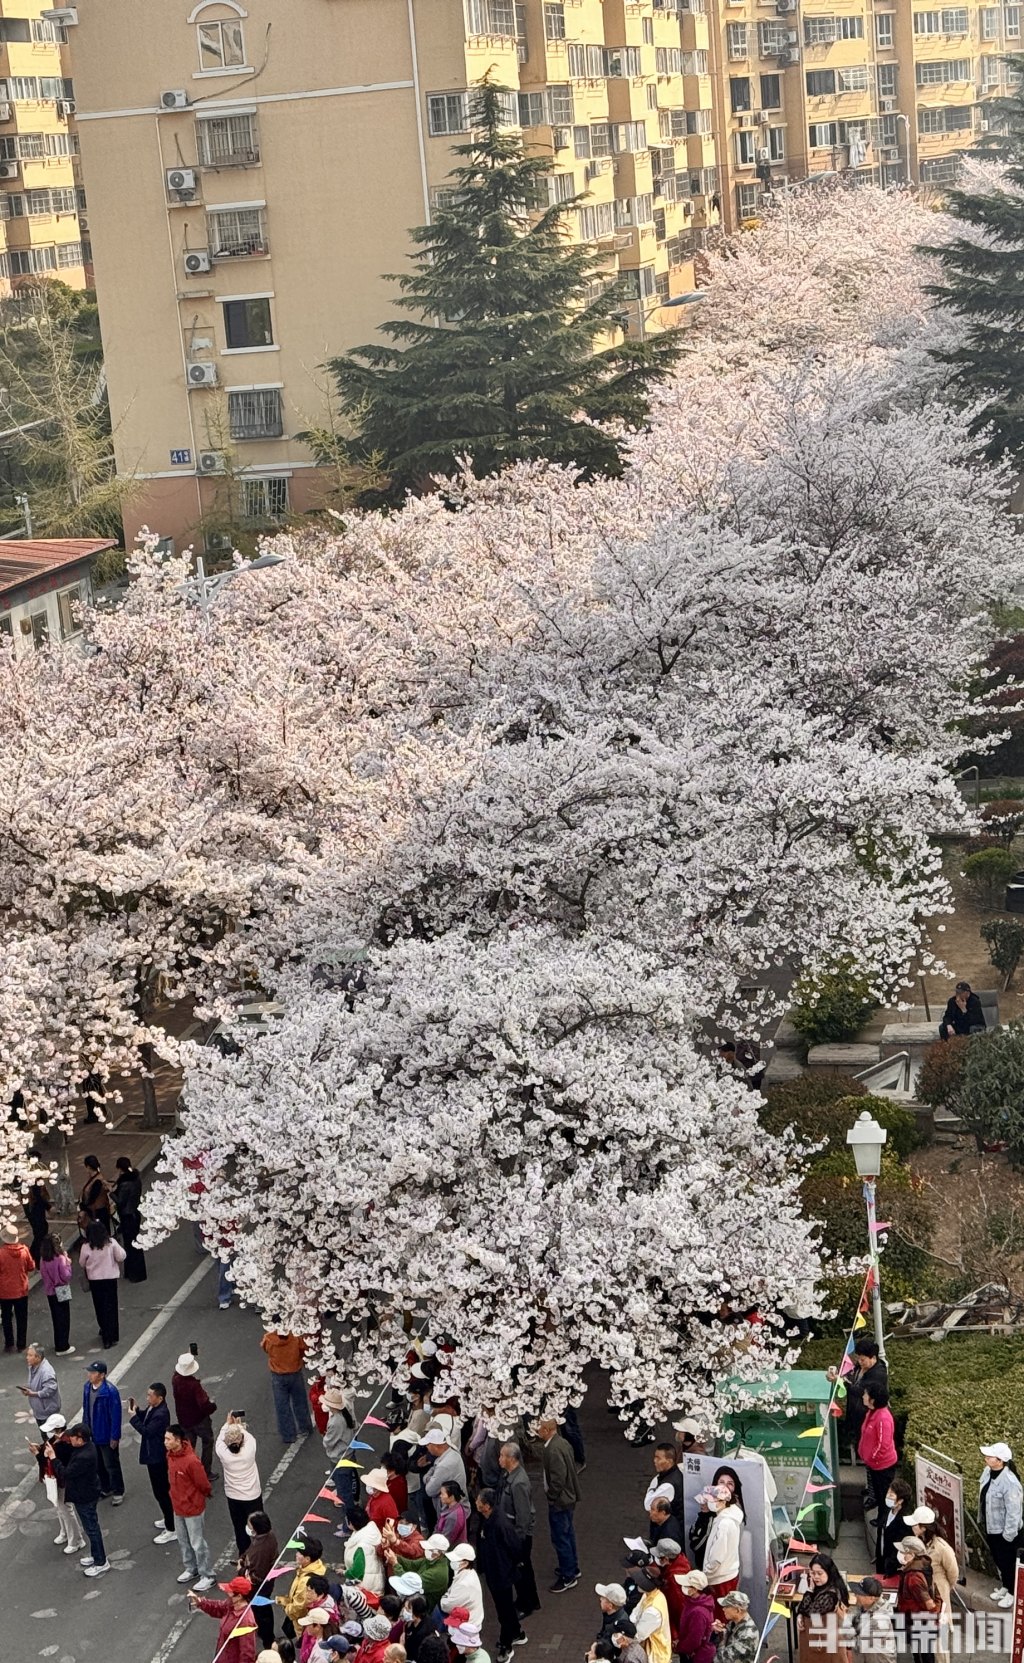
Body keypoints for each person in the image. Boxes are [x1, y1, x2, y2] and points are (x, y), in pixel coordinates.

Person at [476, 1487, 526, 1662]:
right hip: (494, 1572)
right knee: (505, 1607)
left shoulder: (500, 1524)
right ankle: (517, 1632)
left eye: (479, 1501)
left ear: (486, 1506)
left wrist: (511, 1564)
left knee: (504, 1610)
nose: (476, 1503)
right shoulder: (487, 1520)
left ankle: (507, 1645)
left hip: (501, 1574)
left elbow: (515, 1547)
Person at [166, 1421, 215, 1590]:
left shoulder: (191, 1461)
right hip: (178, 1506)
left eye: (168, 1439)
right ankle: (191, 1568)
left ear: (178, 1440)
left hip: (192, 1508)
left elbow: (203, 1484)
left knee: (197, 1543)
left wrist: (200, 1497)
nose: (165, 1442)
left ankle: (207, 1574)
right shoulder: (171, 1456)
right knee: (183, 1541)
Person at [536, 1413, 581, 1594]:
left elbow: (558, 1478)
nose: (537, 1430)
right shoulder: (562, 1443)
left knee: (560, 1537)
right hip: (568, 1498)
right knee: (568, 1534)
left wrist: (551, 1496)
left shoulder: (552, 1450)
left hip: (560, 1501)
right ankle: (572, 1567)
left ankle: (568, 1575)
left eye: (540, 1427)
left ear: (546, 1430)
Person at [906, 1506, 958, 1661]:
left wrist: (944, 1589)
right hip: (921, 1596)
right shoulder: (918, 1543)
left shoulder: (941, 1548)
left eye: (915, 1524)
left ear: (923, 1527)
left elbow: (953, 1573)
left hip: (937, 1597)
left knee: (939, 1642)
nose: (912, 1527)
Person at [57, 1424, 110, 1577]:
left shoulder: (83, 1457)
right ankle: (96, 1555)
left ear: (80, 1439)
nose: (70, 1439)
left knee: (92, 1529)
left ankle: (101, 1562)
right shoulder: (88, 1447)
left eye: (72, 1437)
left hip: (85, 1496)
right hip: (88, 1492)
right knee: (91, 1528)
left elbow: (66, 1473)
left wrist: (54, 1459)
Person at [497, 1440, 540, 1619]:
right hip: (514, 1533)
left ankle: (526, 1604)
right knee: (524, 1569)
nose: (499, 1459)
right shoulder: (510, 1476)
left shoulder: (518, 1483)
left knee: (521, 1571)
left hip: (518, 1536)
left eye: (502, 1456)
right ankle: (531, 1600)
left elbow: (523, 1515)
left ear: (511, 1458)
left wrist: (517, 1540)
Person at [32, 1412, 87, 1553]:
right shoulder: (56, 1440)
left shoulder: (65, 1444)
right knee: (60, 1507)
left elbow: (54, 1462)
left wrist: (40, 1454)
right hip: (55, 1479)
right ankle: (65, 1533)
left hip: (62, 1480)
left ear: (57, 1429)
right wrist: (40, 1450)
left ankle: (76, 1540)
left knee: (66, 1510)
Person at [129, 1381, 175, 1542]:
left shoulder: (161, 1414)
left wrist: (133, 1418)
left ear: (160, 1398)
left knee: (162, 1492)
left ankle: (172, 1527)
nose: (147, 1398)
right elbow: (146, 1418)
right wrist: (137, 1411)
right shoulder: (153, 1408)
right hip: (152, 1455)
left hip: (157, 1457)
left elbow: (147, 1431)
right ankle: (168, 1518)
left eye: (150, 1395)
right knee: (159, 1491)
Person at [979, 1441, 1022, 1607]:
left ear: (1000, 1461)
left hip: (1005, 1532)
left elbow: (1014, 1512)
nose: (986, 1457)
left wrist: (1008, 1536)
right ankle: (1005, 1586)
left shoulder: (1010, 1483)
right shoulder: (987, 1472)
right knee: (999, 1559)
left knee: (1008, 1562)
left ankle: (1012, 1592)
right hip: (991, 1526)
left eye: (990, 1456)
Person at [217, 1413, 265, 1553]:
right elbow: (248, 1437)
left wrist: (228, 1424)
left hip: (233, 1496)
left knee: (239, 1528)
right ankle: (260, 1554)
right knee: (258, 1528)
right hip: (252, 1495)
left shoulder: (223, 1453)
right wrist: (238, 1426)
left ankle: (243, 1556)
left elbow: (220, 1438)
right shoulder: (249, 1450)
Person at [830, 1341, 888, 1456]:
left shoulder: (878, 1374)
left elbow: (860, 1391)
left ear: (873, 1358)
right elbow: (851, 1376)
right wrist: (838, 1376)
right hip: (854, 1410)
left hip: (866, 1415)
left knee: (866, 1443)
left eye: (863, 1360)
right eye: (858, 1359)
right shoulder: (860, 1366)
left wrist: (842, 1382)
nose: (859, 1362)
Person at [82, 1358, 124, 1502]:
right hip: (93, 1434)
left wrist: (115, 1436)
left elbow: (116, 1416)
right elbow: (86, 1409)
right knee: (98, 1464)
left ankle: (118, 1490)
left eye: (93, 1372)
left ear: (102, 1375)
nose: (89, 1375)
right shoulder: (87, 1387)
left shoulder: (110, 1392)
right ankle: (106, 1487)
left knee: (111, 1465)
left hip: (106, 1435)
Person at [188, 1574, 258, 1663]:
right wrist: (200, 1602)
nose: (227, 1592)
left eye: (230, 1591)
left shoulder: (246, 1621)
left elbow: (247, 1654)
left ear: (239, 1596)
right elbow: (218, 1607)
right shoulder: (232, 1604)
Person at [699, 1484, 744, 1616]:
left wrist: (707, 1573)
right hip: (728, 1573)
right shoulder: (730, 1518)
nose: (709, 1503)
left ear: (723, 1502)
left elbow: (717, 1556)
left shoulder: (724, 1524)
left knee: (720, 1616)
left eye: (712, 1500)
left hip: (719, 1578)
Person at [261, 1330, 314, 1443]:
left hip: (278, 1376)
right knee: (300, 1402)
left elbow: (265, 1349)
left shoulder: (269, 1339)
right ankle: (305, 1427)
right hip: (295, 1373)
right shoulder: (295, 1337)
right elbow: (303, 1350)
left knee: (282, 1406)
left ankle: (288, 1435)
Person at [79, 1221, 125, 1348]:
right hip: (110, 1279)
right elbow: (121, 1256)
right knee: (112, 1307)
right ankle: (113, 1334)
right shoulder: (111, 1243)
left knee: (100, 1307)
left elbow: (82, 1263)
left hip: (95, 1281)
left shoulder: (86, 1247)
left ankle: (105, 1333)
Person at [795, 1554, 849, 1663]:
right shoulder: (824, 1586)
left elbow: (810, 1612)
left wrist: (809, 1590)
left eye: (820, 1573)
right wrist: (800, 1614)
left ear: (828, 1572)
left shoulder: (830, 1595)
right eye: (812, 1573)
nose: (815, 1577)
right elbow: (803, 1609)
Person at [173, 1350, 218, 1476]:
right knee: (207, 1441)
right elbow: (204, 1404)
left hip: (184, 1420)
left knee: (189, 1447)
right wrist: (212, 1407)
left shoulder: (175, 1380)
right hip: (199, 1420)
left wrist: (189, 1355)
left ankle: (189, 1471)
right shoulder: (194, 1385)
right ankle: (206, 1471)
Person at [240, 1510, 280, 1651]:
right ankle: (264, 1633)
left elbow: (256, 1577)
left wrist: (241, 1569)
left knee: (262, 1612)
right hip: (266, 1584)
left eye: (250, 1525)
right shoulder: (269, 1537)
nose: (248, 1527)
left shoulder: (260, 1550)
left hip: (259, 1587)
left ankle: (268, 1640)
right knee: (262, 1610)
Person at [894, 1537, 939, 1663]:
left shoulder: (913, 1577)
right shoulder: (922, 1566)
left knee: (923, 1655)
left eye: (903, 1552)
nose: (900, 1554)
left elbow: (929, 1604)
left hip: (920, 1622)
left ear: (912, 1554)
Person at [858, 1384, 898, 1522]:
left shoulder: (883, 1418)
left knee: (883, 1495)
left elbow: (883, 1445)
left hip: (882, 1465)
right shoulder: (872, 1412)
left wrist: (871, 1458)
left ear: (873, 1400)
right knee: (877, 1490)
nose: (863, 1396)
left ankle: (883, 1519)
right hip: (874, 1463)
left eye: (866, 1394)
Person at [279, 1535, 327, 1638]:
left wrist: (287, 1607)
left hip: (301, 1621)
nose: (296, 1554)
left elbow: (299, 1607)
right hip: (305, 1616)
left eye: (299, 1553)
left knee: (302, 1639)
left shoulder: (306, 1581)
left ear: (307, 1559)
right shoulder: (315, 1566)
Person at [0, 1221, 34, 1352]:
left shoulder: (1, 1253)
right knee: (22, 1318)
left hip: (4, 1291)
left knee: (6, 1318)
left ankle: (9, 1343)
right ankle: (21, 1344)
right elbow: (31, 1266)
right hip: (21, 1289)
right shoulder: (24, 1250)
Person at [39, 1232, 74, 1355]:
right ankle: (63, 1345)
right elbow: (66, 1275)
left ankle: (58, 1342)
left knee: (56, 1317)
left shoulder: (43, 1259)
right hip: (61, 1289)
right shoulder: (60, 1258)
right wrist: (68, 1264)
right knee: (64, 1317)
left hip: (50, 1291)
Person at [113, 1156, 147, 1282]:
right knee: (135, 1243)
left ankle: (133, 1273)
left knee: (130, 1245)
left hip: (127, 1216)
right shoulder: (136, 1178)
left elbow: (120, 1201)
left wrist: (111, 1192)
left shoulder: (125, 1183)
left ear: (120, 1169)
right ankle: (136, 1272)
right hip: (135, 1214)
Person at [849, 1576, 896, 1663]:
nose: (856, 1595)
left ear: (872, 1598)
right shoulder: (865, 1608)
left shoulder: (879, 1620)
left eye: (860, 1594)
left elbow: (857, 1643)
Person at [629, 1568, 672, 1663]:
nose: (637, 1583)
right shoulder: (652, 1594)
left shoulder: (653, 1611)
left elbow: (638, 1635)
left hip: (655, 1655)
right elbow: (635, 1613)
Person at [674, 1569, 716, 1663]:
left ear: (694, 1589)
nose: (682, 1587)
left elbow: (694, 1639)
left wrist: (679, 1647)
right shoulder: (699, 1601)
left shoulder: (698, 1613)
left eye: (686, 1586)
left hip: (695, 1656)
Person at [876, 1476, 913, 1576]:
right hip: (881, 1558)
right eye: (888, 1493)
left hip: (892, 1568)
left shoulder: (904, 1521)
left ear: (900, 1500)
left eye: (891, 1495)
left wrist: (889, 1566)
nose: (888, 1497)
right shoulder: (886, 1510)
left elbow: (900, 1547)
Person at [644, 1446, 685, 1534]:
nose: (654, 1461)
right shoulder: (675, 1473)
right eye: (655, 1457)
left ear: (669, 1461)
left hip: (667, 1531)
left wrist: (651, 1489)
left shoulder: (668, 1486)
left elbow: (648, 1504)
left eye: (658, 1458)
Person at [442, 1543, 485, 1627]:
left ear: (465, 1563)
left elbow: (447, 1606)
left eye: (455, 1560)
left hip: (466, 1625)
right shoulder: (467, 1572)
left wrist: (443, 1598)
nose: (452, 1562)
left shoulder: (465, 1584)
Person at [21, 1341, 60, 1427]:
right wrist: (28, 1388)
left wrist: (32, 1393)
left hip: (47, 1412)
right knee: (43, 1433)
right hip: (39, 1411)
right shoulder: (32, 1366)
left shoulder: (47, 1373)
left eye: (30, 1355)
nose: (27, 1358)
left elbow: (49, 1391)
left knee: (49, 1434)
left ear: (38, 1357)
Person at [715, 1590, 759, 1663]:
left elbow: (723, 1660)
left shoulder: (747, 1635)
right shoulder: (735, 1622)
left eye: (727, 1606)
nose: (723, 1609)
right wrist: (721, 1630)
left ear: (737, 1610)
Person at [24, 1160, 52, 1265]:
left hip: (32, 1210)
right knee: (40, 1233)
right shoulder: (33, 1180)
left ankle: (32, 1256)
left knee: (39, 1233)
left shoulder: (28, 1178)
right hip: (35, 1210)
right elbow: (38, 1197)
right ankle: (34, 1256)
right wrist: (49, 1207)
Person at [78, 1154, 112, 1233]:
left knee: (100, 1232)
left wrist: (83, 1207)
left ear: (88, 1167)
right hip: (98, 1210)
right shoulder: (96, 1177)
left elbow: (92, 1198)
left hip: (98, 1211)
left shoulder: (97, 1181)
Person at [436, 1480, 470, 1548]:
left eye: (442, 1494)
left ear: (451, 1496)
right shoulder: (448, 1507)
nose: (440, 1496)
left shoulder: (453, 1517)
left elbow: (447, 1540)